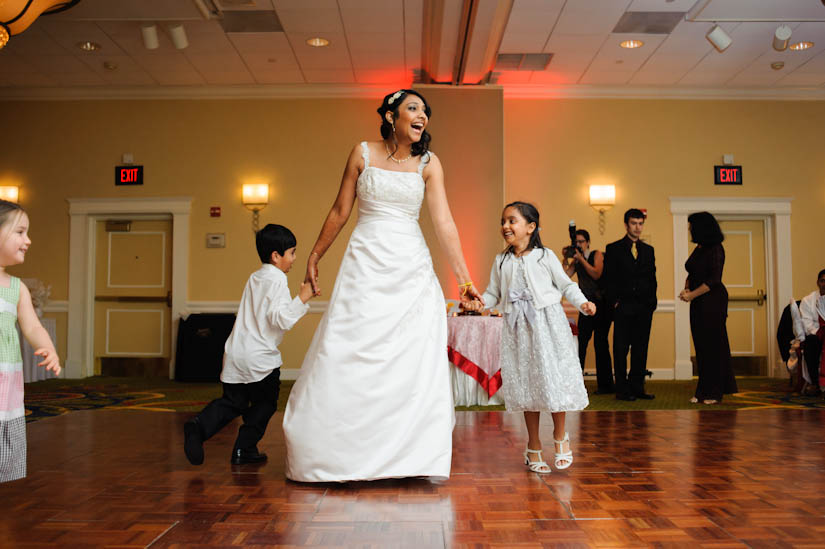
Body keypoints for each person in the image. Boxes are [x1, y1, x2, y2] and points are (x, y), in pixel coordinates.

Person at [282, 89, 481, 482]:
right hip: (365, 266)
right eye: (413, 108)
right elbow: (341, 210)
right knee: (349, 348)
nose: (422, 115)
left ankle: (409, 457)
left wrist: (465, 280)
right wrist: (315, 254)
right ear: (391, 116)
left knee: (410, 358)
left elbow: (443, 223)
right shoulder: (362, 153)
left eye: (425, 111)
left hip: (412, 272)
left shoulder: (429, 163)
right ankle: (338, 455)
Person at [465, 202, 594, 474]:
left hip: (547, 325)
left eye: (512, 221)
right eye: (503, 221)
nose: (506, 226)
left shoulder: (544, 256)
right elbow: (493, 293)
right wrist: (479, 304)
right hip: (518, 328)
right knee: (528, 385)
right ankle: (533, 445)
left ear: (530, 227)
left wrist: (582, 303)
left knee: (553, 380)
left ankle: (560, 437)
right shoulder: (501, 261)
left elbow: (566, 285)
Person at [183, 224, 314, 466]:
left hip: (235, 352)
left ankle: (198, 427)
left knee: (233, 402)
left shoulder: (255, 277)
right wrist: (302, 299)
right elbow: (281, 319)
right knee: (266, 403)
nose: (294, 258)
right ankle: (245, 448)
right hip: (259, 357)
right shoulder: (277, 281)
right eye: (292, 252)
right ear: (276, 256)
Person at [0, 200, 61, 482]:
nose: (28, 240)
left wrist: (47, 348)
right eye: (20, 232)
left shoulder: (17, 288)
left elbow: (33, 327)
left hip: (6, 386)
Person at [679, 212, 737, 404]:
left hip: (712, 301)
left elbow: (713, 280)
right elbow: (692, 271)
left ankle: (715, 392)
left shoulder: (716, 249)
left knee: (713, 346)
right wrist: (687, 287)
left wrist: (691, 294)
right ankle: (702, 390)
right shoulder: (700, 247)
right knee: (701, 346)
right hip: (698, 301)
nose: (689, 229)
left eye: (691, 226)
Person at [604, 208, 657, 401]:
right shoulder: (614, 248)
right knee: (620, 349)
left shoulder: (648, 250)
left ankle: (638, 388)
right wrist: (615, 303)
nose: (638, 227)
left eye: (640, 223)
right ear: (626, 225)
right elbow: (608, 279)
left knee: (641, 348)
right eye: (634, 223)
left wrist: (652, 303)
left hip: (644, 307)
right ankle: (622, 390)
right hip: (623, 307)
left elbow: (652, 279)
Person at [562, 228, 613, 394]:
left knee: (600, 343)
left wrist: (581, 259)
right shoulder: (576, 261)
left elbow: (596, 273)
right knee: (581, 344)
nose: (579, 245)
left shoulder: (597, 254)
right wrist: (565, 259)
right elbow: (563, 278)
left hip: (600, 305)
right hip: (585, 306)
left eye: (582, 242)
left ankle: (605, 386)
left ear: (588, 242)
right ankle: (577, 384)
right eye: (576, 242)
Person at [798, 268, 825, 395]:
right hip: (816, 334)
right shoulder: (807, 301)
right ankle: (815, 383)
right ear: (818, 282)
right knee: (810, 341)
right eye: (822, 281)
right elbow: (807, 324)